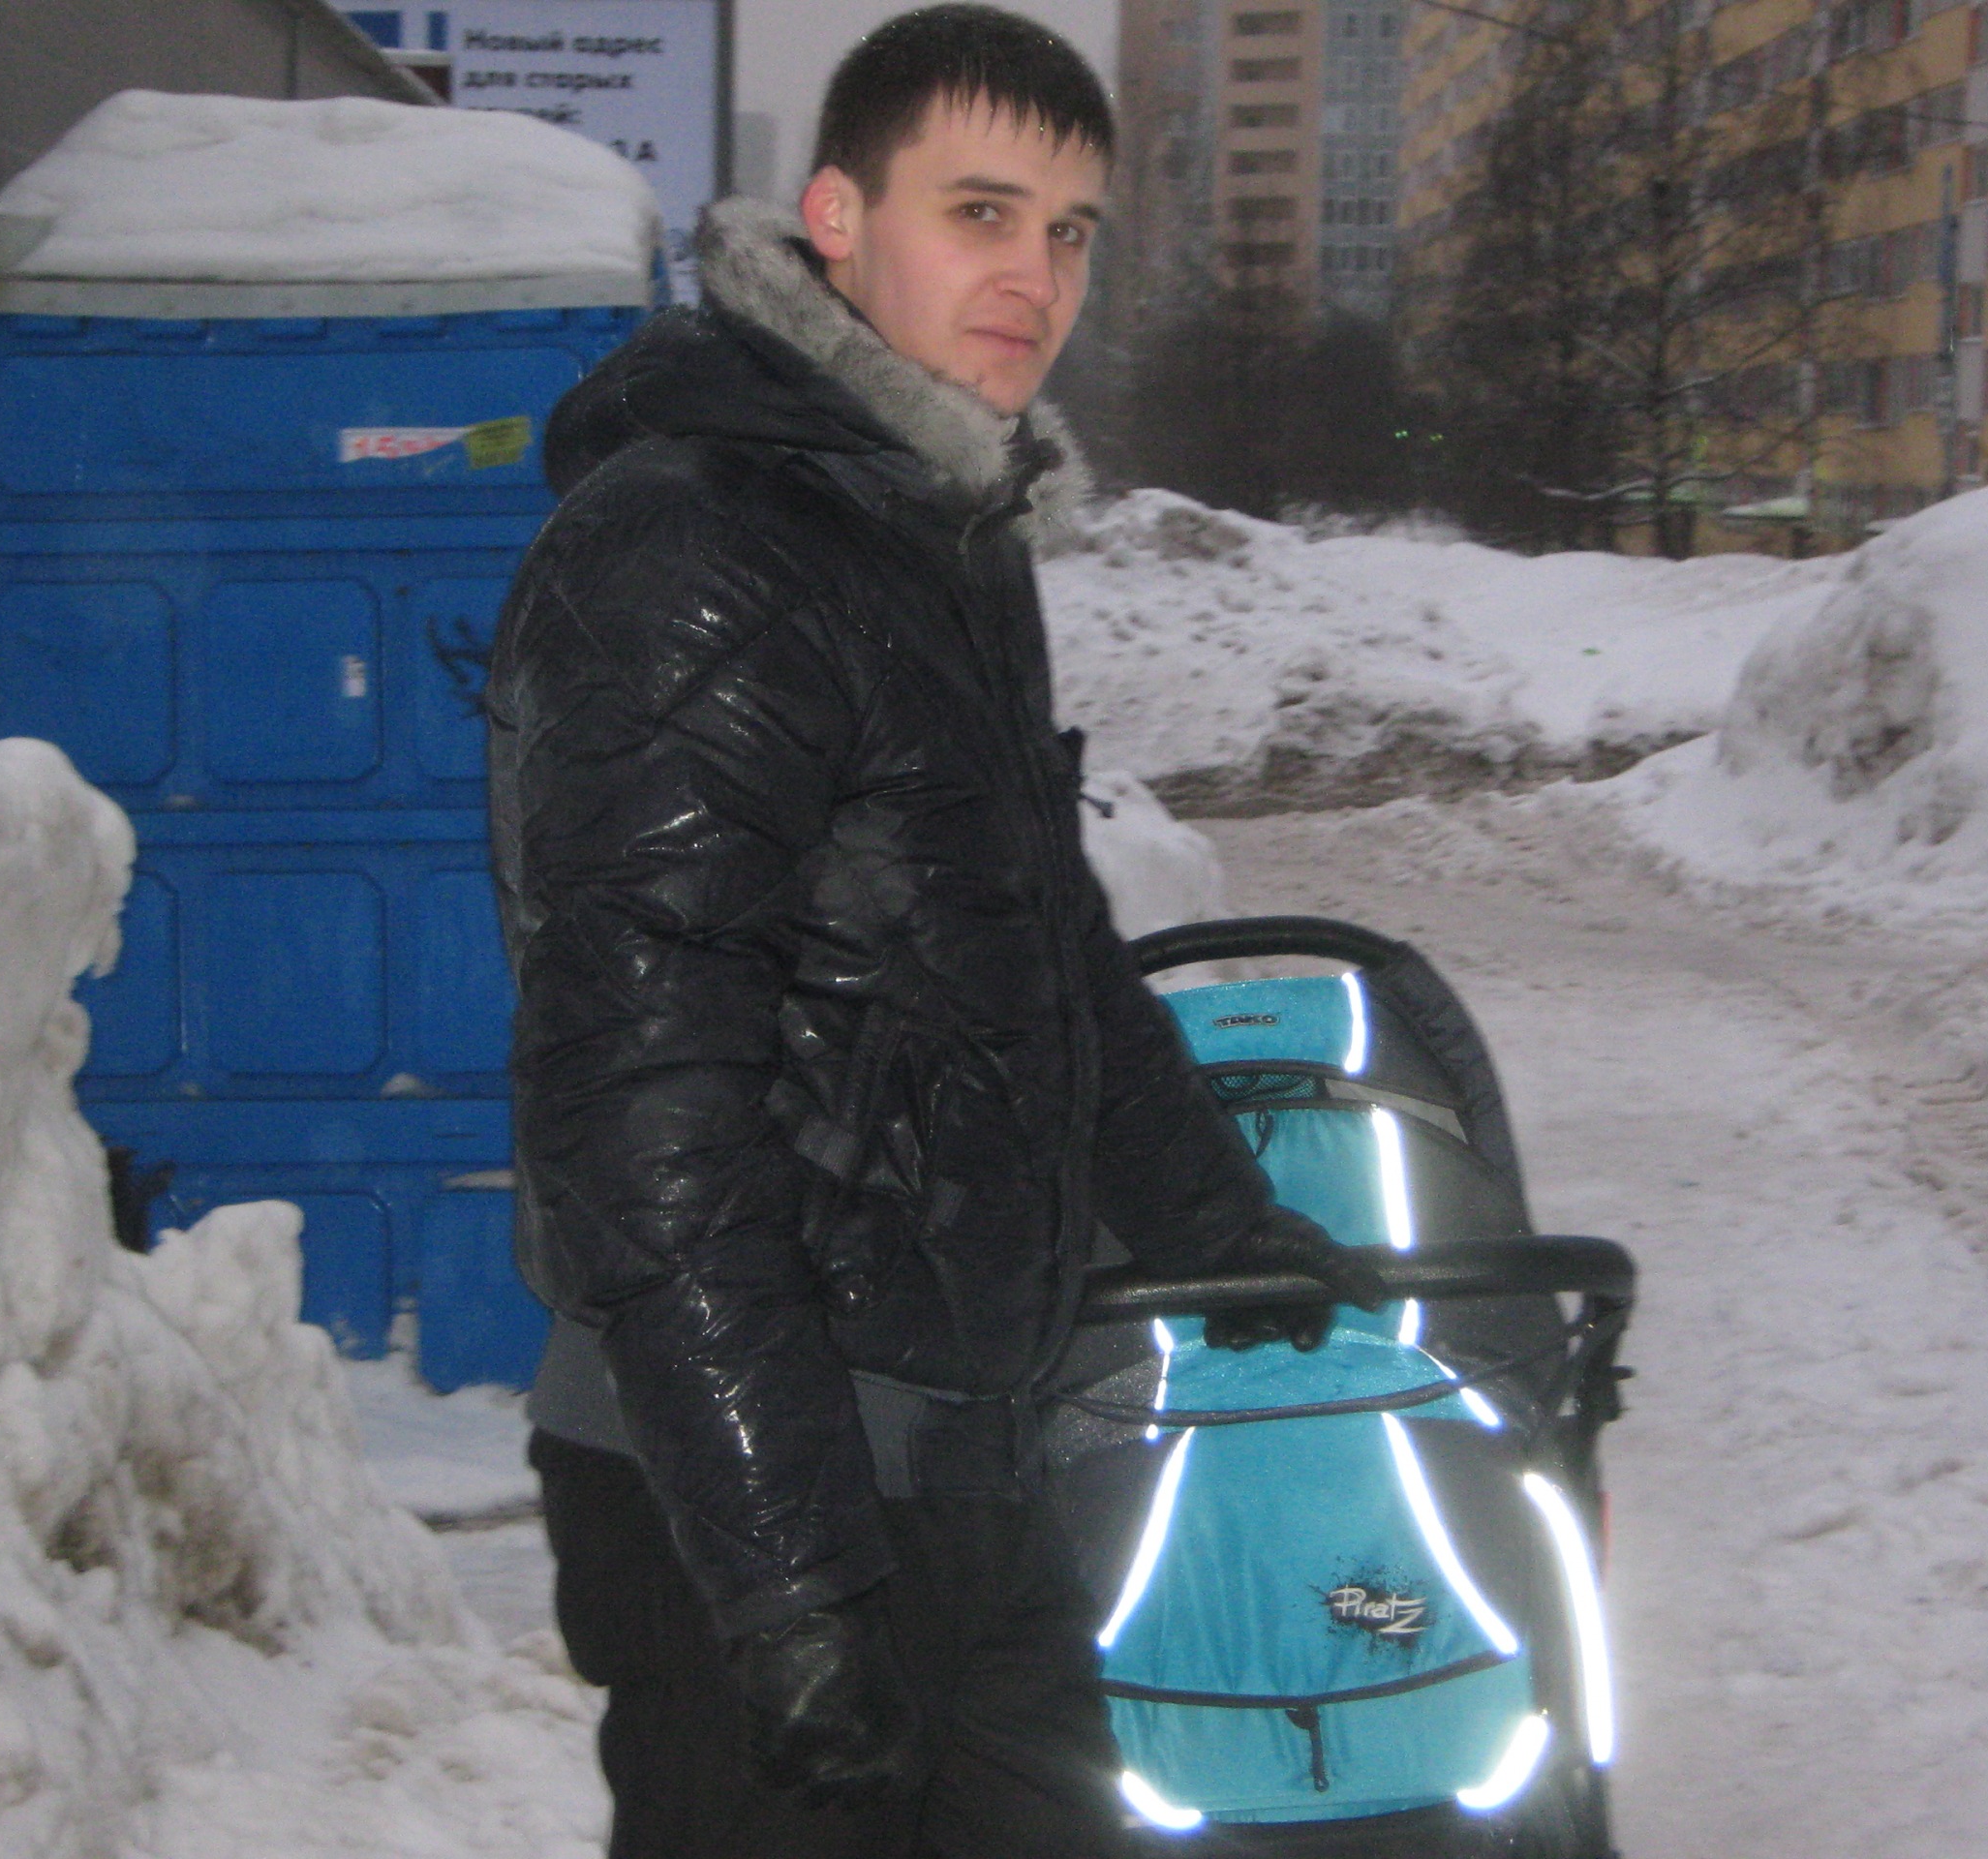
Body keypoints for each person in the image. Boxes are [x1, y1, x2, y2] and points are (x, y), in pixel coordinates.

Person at [485, 9, 1388, 1856]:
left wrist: (1222, 1229)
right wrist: (792, 1589)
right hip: (746, 1479)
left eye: (1070, 230)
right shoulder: (695, 550)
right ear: (836, 215)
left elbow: (1042, 951)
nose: (1035, 275)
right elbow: (644, 1118)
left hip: (961, 1448)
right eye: (980, 211)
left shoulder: (939, 531)